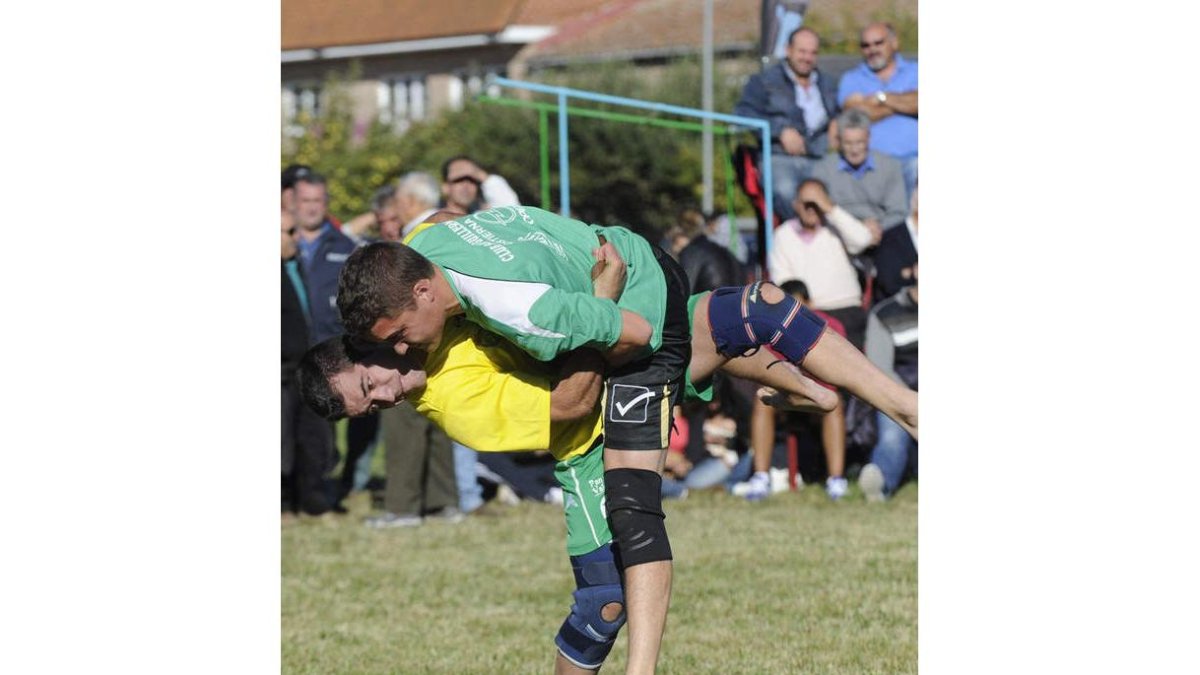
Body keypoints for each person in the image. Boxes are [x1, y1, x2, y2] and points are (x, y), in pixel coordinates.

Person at [743, 280, 850, 501]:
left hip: (819, 395)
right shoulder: (769, 328)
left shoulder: (831, 328)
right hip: (786, 394)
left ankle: (836, 480)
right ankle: (761, 477)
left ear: (810, 304)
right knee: (762, 399)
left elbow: (837, 374)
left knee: (835, 404)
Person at [734, 26, 839, 222]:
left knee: (839, 192)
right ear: (788, 50)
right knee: (786, 192)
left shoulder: (828, 83)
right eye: (802, 51)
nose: (807, 58)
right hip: (779, 157)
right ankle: (800, 240)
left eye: (813, 53)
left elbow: (840, 113)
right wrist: (780, 131)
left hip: (819, 157)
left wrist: (838, 124)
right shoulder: (764, 81)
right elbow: (743, 114)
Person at [768, 177, 879, 349]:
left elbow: (863, 239)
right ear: (795, 204)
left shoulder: (837, 226)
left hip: (847, 310)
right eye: (807, 203)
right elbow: (781, 278)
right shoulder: (783, 234)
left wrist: (830, 208)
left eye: (817, 203)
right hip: (807, 315)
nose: (812, 209)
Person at [281, 209, 335, 519]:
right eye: (288, 232)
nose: (296, 238)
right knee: (281, 442)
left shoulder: (298, 267)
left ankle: (311, 500)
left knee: (313, 438)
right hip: (282, 371)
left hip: (306, 367)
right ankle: (283, 502)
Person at [837, 22, 919, 199]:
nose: (872, 49)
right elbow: (856, 115)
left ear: (894, 43)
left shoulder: (916, 71)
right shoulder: (852, 78)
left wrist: (881, 98)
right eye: (866, 45)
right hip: (869, 164)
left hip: (913, 159)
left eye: (878, 43)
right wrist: (905, 103)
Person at [859, 264, 919, 502]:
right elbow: (878, 367)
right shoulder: (885, 313)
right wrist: (907, 399)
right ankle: (879, 485)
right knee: (893, 437)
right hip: (897, 393)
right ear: (915, 270)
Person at [812, 108, 908, 233]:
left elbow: (898, 212)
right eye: (848, 143)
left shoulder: (889, 166)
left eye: (859, 143)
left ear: (868, 138)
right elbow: (820, 212)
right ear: (840, 141)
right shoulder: (823, 169)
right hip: (839, 233)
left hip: (880, 231)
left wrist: (879, 228)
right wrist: (852, 230)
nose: (854, 150)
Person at [873, 184, 919, 303]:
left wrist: (909, 273)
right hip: (900, 315)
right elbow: (890, 283)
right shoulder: (890, 238)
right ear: (914, 197)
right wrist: (913, 274)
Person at [441, 155, 520, 214]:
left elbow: (513, 214)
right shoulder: (432, 218)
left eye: (472, 180)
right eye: (459, 180)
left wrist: (481, 175)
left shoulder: (482, 220)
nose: (466, 186)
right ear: (445, 187)